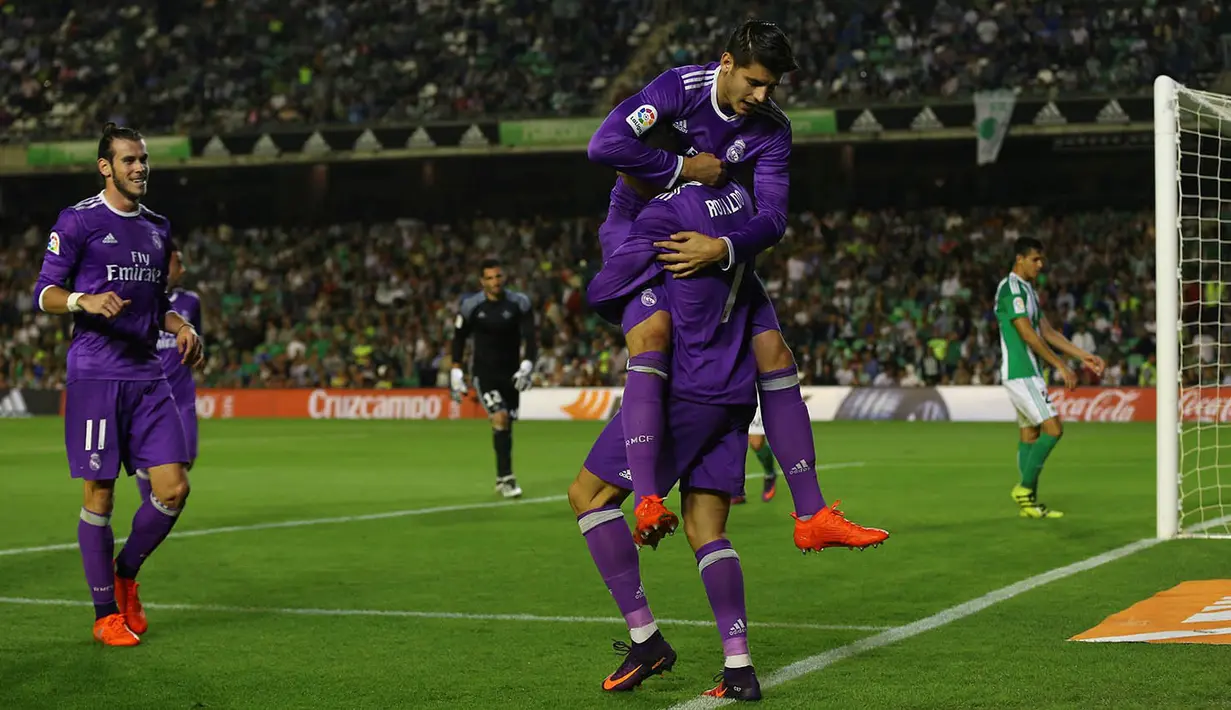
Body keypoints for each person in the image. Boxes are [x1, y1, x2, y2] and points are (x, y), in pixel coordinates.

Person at [586, 20, 853, 546]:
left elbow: (774, 217)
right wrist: (682, 167)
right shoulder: (678, 89)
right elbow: (603, 145)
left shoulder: (773, 127)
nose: (762, 95)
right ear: (726, 63)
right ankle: (646, 496)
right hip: (639, 222)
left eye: (771, 86)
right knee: (653, 336)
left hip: (713, 236)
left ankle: (812, 515)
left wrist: (724, 248)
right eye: (754, 81)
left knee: (775, 351)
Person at [33, 123, 204, 647]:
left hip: (148, 376)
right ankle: (106, 612)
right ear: (106, 166)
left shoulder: (157, 227)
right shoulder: (79, 220)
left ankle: (126, 572)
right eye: (129, 160)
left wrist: (183, 328)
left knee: (174, 489)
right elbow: (44, 293)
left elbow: (160, 307)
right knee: (100, 495)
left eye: (144, 160)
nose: (140, 169)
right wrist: (84, 301)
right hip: (96, 373)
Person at [995, 237, 1104, 518]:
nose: (1040, 265)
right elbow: (1027, 334)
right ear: (1020, 258)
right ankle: (1024, 488)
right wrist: (1060, 366)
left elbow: (1047, 331)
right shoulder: (1011, 289)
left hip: (1028, 372)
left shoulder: (1029, 291)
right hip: (1021, 372)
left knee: (1030, 434)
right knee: (1054, 428)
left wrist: (1081, 355)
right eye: (1035, 259)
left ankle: (1028, 505)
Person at [449, 258, 537, 498]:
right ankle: (507, 479)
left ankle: (501, 477)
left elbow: (530, 337)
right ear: (482, 281)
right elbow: (458, 338)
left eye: (498, 276)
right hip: (484, 374)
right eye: (489, 278)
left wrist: (528, 364)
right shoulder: (471, 306)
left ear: (504, 277)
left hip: (511, 375)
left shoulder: (520, 303)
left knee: (506, 424)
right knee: (499, 417)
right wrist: (456, 369)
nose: (495, 281)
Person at [156, 250, 202, 474]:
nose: (183, 270)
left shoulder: (191, 302)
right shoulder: (141, 301)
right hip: (151, 395)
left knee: (187, 459)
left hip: (182, 395)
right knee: (162, 468)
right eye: (178, 264)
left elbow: (198, 338)